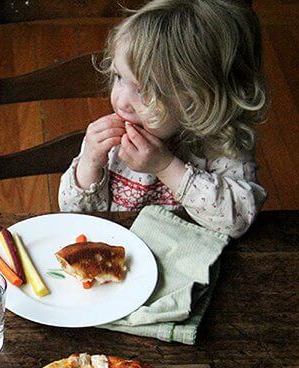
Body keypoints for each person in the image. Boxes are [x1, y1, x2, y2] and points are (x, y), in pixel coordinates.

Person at [58, 0, 267, 238]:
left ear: (199, 99)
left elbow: (237, 221)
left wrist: (165, 166)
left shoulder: (222, 145)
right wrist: (90, 163)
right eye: (119, 77)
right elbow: (74, 213)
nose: (122, 101)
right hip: (119, 256)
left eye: (145, 90)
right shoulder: (109, 145)